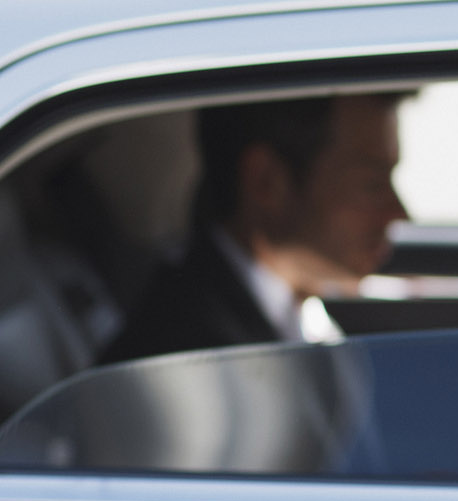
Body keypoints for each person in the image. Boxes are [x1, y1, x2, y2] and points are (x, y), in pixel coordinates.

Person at [100, 93, 409, 365]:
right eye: (372, 185)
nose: (398, 213)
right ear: (267, 182)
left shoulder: (295, 310)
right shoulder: (190, 361)